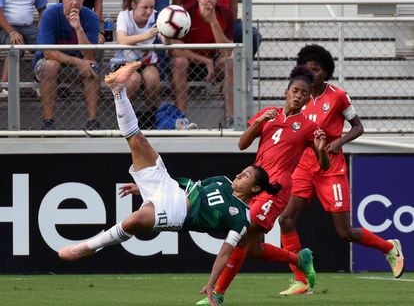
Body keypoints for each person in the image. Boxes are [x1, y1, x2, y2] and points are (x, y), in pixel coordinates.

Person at [57, 61, 316, 306]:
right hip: (169, 186)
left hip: (177, 212)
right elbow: (193, 182)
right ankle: (118, 91)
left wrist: (210, 283)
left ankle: (88, 247)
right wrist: (142, 187)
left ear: (255, 188)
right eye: (242, 172)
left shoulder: (240, 218)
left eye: (245, 176)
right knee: (138, 141)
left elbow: (224, 252)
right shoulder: (223, 181)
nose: (239, 175)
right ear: (286, 91)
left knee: (136, 221)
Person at [195, 65, 330, 305]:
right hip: (254, 185)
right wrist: (258, 123)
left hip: (276, 189)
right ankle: (300, 260)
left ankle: (217, 293)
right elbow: (242, 144)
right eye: (295, 91)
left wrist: (321, 151)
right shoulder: (269, 113)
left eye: (304, 94)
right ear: (286, 92)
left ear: (308, 99)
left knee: (242, 234)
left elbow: (325, 165)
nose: (298, 96)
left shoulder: (309, 127)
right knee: (253, 248)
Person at [277, 44, 405, 295]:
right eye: (307, 69)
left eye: (316, 69)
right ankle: (301, 280)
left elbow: (358, 126)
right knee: (285, 219)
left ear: (326, 72)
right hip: (304, 166)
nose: (311, 74)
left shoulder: (337, 96)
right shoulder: (298, 97)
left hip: (330, 169)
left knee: (344, 232)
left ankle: (389, 248)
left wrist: (340, 141)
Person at [33, 0, 100, 130]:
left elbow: (90, 55)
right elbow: (48, 53)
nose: (75, 2)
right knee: (51, 65)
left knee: (91, 67)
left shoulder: (91, 17)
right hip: (48, 63)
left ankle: (93, 123)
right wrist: (78, 62)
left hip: (77, 65)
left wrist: (79, 29)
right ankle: (48, 123)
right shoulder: (50, 14)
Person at [166, 0, 234, 126]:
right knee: (179, 62)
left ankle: (231, 118)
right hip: (191, 62)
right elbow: (176, 50)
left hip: (214, 63)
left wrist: (213, 22)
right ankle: (182, 119)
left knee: (229, 63)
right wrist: (204, 61)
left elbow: (227, 51)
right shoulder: (185, 13)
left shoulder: (225, 13)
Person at [113, 0, 161, 129]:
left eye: (152, 7)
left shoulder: (157, 18)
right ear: (134, 5)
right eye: (145, 7)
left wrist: (169, 31)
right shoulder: (124, 16)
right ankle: (126, 118)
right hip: (124, 62)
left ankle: (151, 116)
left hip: (147, 62)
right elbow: (122, 39)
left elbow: (167, 41)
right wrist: (147, 35)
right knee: (133, 79)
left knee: (152, 78)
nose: (149, 11)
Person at [172, 0, 261, 57]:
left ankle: (241, 71)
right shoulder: (189, 10)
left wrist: (230, 24)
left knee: (253, 35)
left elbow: (233, 1)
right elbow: (176, 3)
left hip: (223, 17)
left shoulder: (225, 13)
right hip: (194, 18)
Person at [0, 0, 48, 98]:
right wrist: (12, 32)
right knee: (16, 47)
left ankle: (38, 80)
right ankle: (3, 87)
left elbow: (42, 9)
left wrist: (41, 29)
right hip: (8, 27)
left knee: (46, 47)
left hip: (29, 27)